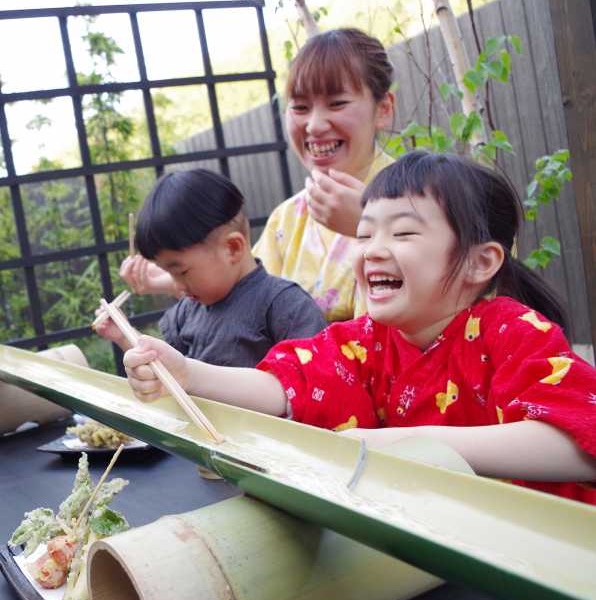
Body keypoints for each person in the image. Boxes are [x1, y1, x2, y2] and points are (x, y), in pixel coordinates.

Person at [121, 152, 596, 503]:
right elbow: (286, 385)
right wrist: (187, 374)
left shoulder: (512, 332)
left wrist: (403, 445)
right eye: (364, 234)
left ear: (480, 262)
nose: (372, 250)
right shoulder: (364, 341)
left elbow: (580, 441)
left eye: (403, 232)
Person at [121, 28, 396, 323]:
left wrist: (368, 227)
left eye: (337, 103)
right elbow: (248, 290)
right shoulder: (287, 219)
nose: (314, 125)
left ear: (382, 109)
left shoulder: (420, 196)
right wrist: (171, 275)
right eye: (300, 107)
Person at [94, 168, 326, 368]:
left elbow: (315, 383)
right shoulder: (187, 311)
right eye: (169, 273)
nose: (176, 285)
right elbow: (165, 372)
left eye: (182, 272)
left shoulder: (286, 307)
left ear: (232, 248)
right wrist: (125, 336)